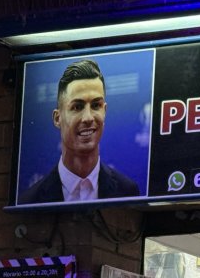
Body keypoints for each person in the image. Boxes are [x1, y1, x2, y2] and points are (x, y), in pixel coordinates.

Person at [19, 59, 140, 204]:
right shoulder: (30, 201)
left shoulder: (127, 191)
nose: (88, 118)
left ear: (105, 111)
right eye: (77, 107)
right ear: (57, 118)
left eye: (96, 105)